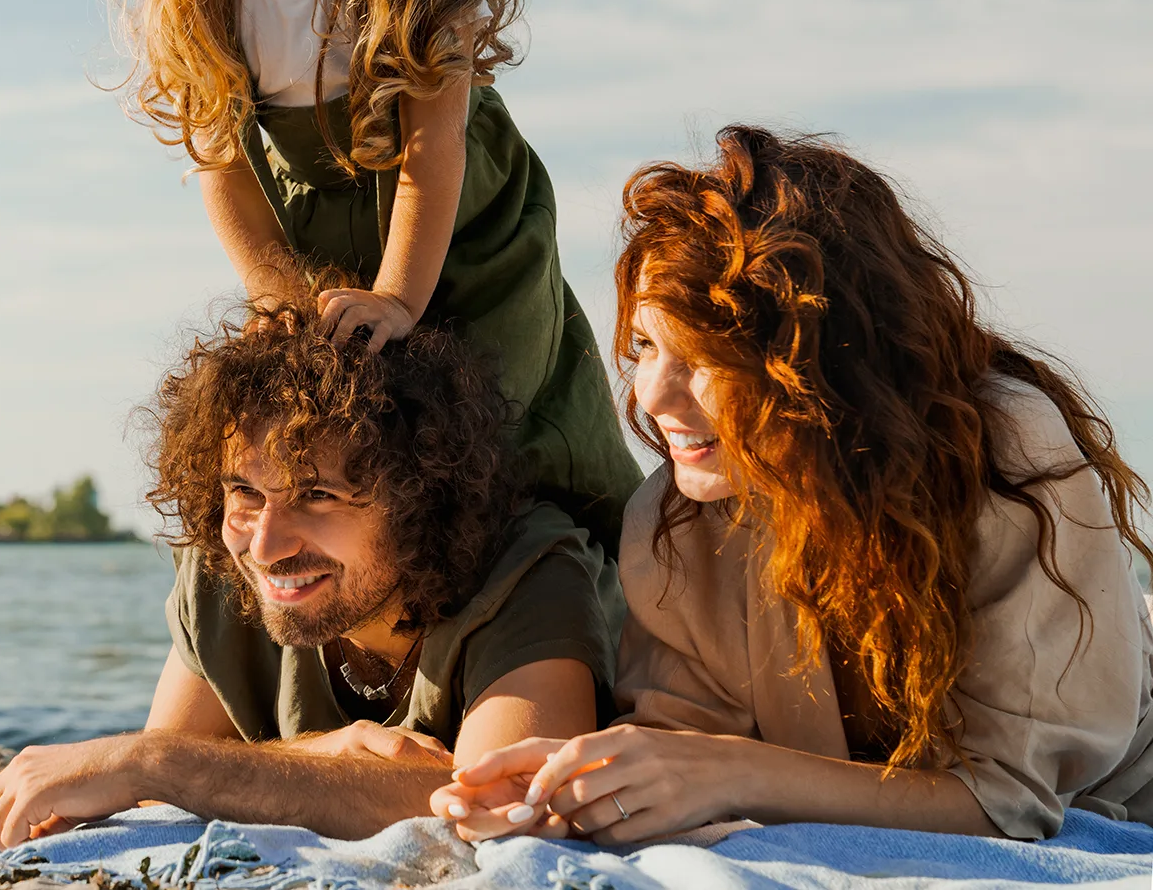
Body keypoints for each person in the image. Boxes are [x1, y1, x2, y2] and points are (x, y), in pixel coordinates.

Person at [434, 126, 1153, 843]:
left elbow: (1010, 802)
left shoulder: (1002, 451)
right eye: (647, 346)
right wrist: (570, 789)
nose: (652, 397)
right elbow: (684, 750)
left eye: (705, 356)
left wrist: (731, 771)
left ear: (820, 360)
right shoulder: (679, 520)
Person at [117, 0, 641, 552]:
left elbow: (431, 153)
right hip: (315, 237)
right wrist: (278, 291)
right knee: (347, 457)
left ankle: (604, 602)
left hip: (464, 229)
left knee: (501, 431)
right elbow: (221, 161)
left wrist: (400, 298)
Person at [0, 296, 619, 847]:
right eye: (245, 492)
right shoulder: (227, 568)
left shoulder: (531, 572)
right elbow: (161, 782)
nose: (267, 545)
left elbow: (507, 804)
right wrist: (316, 752)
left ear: (421, 499)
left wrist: (148, 760)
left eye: (317, 495)